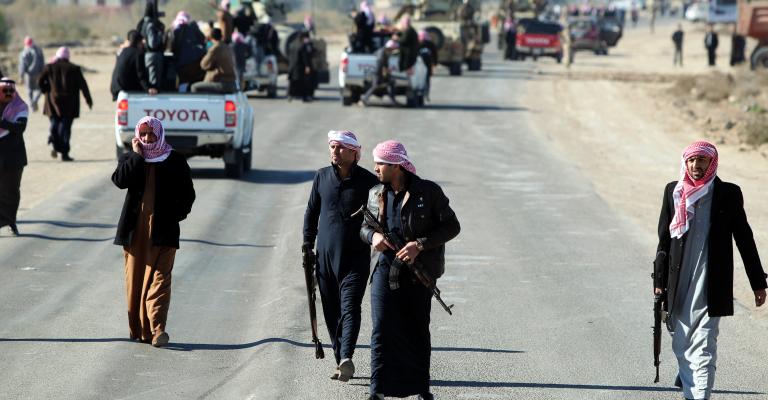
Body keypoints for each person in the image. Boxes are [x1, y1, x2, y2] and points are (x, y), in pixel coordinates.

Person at [654, 141, 767, 400]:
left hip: (711, 284)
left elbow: (744, 238)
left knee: (704, 346)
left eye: (702, 161)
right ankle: (686, 376)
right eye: (692, 160)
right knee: (680, 341)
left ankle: (698, 394)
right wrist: (659, 282)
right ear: (685, 162)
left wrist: (758, 282)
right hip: (678, 282)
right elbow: (663, 241)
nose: (696, 166)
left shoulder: (728, 193)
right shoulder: (674, 192)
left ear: (711, 163)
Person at [361, 140, 460, 400]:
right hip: (385, 269)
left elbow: (452, 227)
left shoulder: (428, 192)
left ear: (397, 166)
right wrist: (373, 238)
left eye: (381, 163)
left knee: (417, 329)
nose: (376, 168)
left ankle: (421, 389)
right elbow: (364, 226)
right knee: (381, 326)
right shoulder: (376, 194)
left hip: (417, 273)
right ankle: (377, 390)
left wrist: (420, 245)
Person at [112, 116, 195, 348]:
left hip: (164, 232)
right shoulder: (131, 158)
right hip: (135, 234)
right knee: (136, 283)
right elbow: (119, 180)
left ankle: (158, 329)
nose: (148, 138)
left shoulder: (175, 160)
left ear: (160, 134)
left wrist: (174, 215)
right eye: (144, 133)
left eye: (152, 134)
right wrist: (137, 156)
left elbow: (188, 195)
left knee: (160, 281)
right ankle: (139, 330)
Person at [303, 130, 378, 382]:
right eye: (332, 146)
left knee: (350, 307)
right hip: (324, 257)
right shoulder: (321, 177)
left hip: (355, 258)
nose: (334, 151)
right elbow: (311, 213)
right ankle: (340, 360)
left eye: (340, 147)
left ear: (354, 153)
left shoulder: (368, 182)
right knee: (331, 309)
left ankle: (347, 356)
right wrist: (307, 244)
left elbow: (381, 216)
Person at [38, 47, 93, 162]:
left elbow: (39, 81)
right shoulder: (74, 69)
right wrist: (88, 100)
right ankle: (64, 153)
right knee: (65, 128)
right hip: (70, 104)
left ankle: (54, 139)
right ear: (68, 56)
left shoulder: (49, 67)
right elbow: (83, 85)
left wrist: (46, 90)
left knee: (55, 123)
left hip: (53, 102)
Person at [0, 78, 29, 237]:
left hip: (14, 156)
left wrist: (3, 123)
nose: (9, 93)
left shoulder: (20, 107)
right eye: (5, 90)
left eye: (11, 90)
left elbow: (20, 127)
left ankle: (11, 222)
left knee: (11, 191)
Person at [166, 11, 207, 91]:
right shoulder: (193, 27)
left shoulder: (174, 30)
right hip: (194, 62)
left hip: (181, 64)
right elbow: (202, 40)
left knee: (183, 81)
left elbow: (170, 47)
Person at [191, 28, 237, 93]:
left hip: (222, 83)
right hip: (231, 82)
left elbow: (204, 65)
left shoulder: (215, 48)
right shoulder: (227, 47)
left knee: (194, 87)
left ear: (211, 37)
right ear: (221, 36)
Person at [111, 30, 151, 101]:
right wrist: (148, 89)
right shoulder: (138, 53)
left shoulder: (122, 51)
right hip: (125, 88)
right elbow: (140, 74)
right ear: (139, 42)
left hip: (115, 87)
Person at [136, 0, 166, 92]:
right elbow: (153, 44)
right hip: (153, 56)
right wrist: (160, 33)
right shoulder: (150, 25)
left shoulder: (143, 23)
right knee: (154, 85)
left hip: (148, 56)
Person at [362, 39, 399, 106]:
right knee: (375, 85)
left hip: (380, 73)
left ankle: (393, 100)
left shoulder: (384, 52)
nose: (392, 51)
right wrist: (383, 74)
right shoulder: (382, 54)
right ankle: (364, 99)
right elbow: (380, 66)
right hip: (377, 73)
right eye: (392, 49)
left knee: (390, 83)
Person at [17, 37, 45, 112]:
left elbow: (22, 65)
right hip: (38, 74)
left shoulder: (23, 52)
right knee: (40, 89)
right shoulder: (38, 51)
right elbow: (42, 63)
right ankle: (34, 101)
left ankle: (32, 104)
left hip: (28, 75)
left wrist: (21, 76)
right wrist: (43, 73)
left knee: (29, 90)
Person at [288, 31, 316, 102]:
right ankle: (304, 97)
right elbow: (305, 57)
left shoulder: (292, 44)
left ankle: (290, 96)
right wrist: (307, 66)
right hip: (300, 67)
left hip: (292, 67)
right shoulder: (302, 46)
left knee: (292, 82)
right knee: (303, 83)